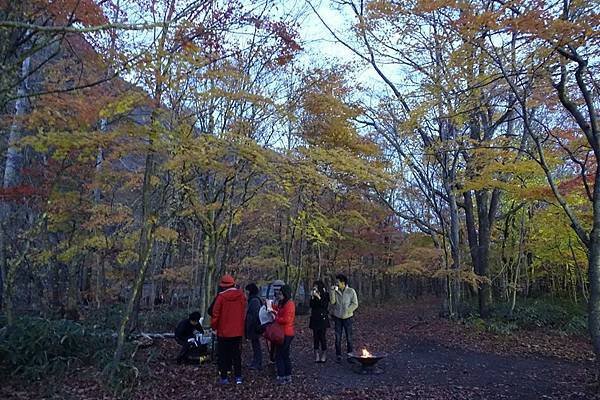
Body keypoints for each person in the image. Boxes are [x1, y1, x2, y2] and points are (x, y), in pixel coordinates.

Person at [210, 274, 246, 385]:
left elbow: (215, 314)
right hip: (237, 332)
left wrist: (214, 327)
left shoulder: (221, 297)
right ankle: (238, 377)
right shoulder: (241, 296)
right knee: (236, 355)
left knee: (223, 355)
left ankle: (224, 378)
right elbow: (243, 312)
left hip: (223, 332)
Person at [329, 274, 358, 363]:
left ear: (343, 283)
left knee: (349, 337)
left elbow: (355, 303)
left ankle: (350, 355)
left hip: (348, 318)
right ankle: (338, 355)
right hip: (337, 317)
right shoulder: (336, 291)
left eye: (338, 282)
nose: (336, 284)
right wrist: (332, 292)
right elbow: (332, 302)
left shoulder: (351, 291)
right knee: (338, 337)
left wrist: (348, 310)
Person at [272, 284, 295, 384]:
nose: (279, 295)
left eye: (281, 294)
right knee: (284, 355)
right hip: (283, 332)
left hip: (285, 333)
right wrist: (272, 307)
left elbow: (286, 319)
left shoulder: (289, 304)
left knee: (280, 355)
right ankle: (287, 375)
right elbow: (279, 310)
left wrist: (276, 318)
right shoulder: (283, 303)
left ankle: (282, 376)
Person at [309, 280, 330, 363]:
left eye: (316, 286)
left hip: (323, 318)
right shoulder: (313, 294)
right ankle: (316, 353)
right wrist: (313, 297)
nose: (315, 288)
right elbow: (311, 305)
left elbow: (324, 306)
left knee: (322, 336)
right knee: (315, 337)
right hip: (315, 317)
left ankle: (324, 353)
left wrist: (318, 297)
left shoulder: (325, 294)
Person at [245, 283, 263, 370]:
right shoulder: (253, 300)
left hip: (255, 326)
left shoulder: (254, 301)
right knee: (255, 344)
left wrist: (249, 326)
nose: (246, 293)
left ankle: (257, 362)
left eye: (247, 291)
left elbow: (254, 315)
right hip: (254, 326)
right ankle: (256, 361)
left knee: (256, 345)